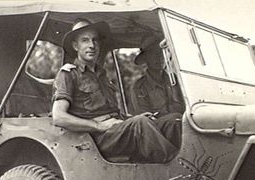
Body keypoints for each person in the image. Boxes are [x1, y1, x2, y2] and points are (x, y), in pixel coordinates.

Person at [52, 19, 178, 163]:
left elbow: (113, 113)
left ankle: (193, 161)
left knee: (172, 121)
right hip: (96, 138)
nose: (91, 45)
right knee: (141, 124)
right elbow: (59, 117)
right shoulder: (68, 74)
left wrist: (129, 119)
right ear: (76, 46)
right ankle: (182, 169)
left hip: (115, 131)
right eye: (85, 41)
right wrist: (98, 126)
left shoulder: (102, 75)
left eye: (95, 40)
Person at [130, 34, 184, 149]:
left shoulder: (174, 80)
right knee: (175, 120)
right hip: (156, 132)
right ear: (146, 59)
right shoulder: (139, 87)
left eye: (162, 54)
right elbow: (144, 120)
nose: (159, 58)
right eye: (154, 54)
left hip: (181, 125)